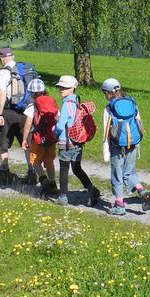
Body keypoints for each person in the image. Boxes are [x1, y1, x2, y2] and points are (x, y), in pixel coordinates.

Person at [100, 77, 150, 216]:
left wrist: (106, 150)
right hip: (133, 143)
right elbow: (139, 123)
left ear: (107, 92)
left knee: (117, 175)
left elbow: (106, 131)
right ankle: (142, 191)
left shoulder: (109, 108)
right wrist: (137, 143)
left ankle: (120, 205)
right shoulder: (132, 103)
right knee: (128, 173)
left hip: (117, 145)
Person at [50, 75, 101, 207]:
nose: (61, 89)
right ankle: (92, 190)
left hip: (65, 142)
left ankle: (63, 197)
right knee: (77, 168)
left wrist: (54, 132)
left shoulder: (67, 104)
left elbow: (61, 126)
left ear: (72, 88)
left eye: (65, 87)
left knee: (64, 169)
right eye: (60, 87)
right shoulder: (77, 101)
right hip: (78, 141)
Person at [0, 47, 29, 183]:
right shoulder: (25, 69)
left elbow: (2, 94)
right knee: (26, 142)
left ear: (2, 58)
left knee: (3, 143)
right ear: (12, 57)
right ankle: (32, 173)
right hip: (25, 112)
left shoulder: (3, 73)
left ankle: (4, 173)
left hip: (8, 112)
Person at [20, 79, 59, 192]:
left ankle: (43, 180)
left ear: (32, 93)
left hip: (38, 138)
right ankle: (53, 184)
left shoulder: (32, 106)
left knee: (35, 160)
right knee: (49, 161)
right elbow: (57, 118)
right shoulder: (52, 103)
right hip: (51, 138)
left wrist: (24, 139)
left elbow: (28, 124)